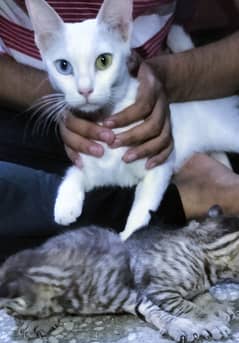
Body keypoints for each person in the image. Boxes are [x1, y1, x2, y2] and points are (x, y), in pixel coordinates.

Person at [0, 0, 238, 262]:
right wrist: (58, 104)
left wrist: (166, 79)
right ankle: (182, 194)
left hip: (161, 83)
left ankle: (179, 183)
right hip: (28, 103)